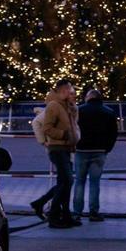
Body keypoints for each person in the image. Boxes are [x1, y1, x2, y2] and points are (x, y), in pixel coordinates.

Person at [30, 81, 81, 229]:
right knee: (67, 181)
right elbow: (47, 127)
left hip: (66, 148)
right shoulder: (54, 106)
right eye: (70, 91)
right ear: (63, 91)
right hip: (57, 148)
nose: (73, 93)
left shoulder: (67, 107)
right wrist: (64, 135)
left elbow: (73, 125)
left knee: (65, 182)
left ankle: (62, 213)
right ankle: (53, 214)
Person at [72, 89, 118, 222]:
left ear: (88, 98)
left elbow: (73, 129)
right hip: (99, 151)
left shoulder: (79, 111)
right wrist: (107, 148)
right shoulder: (108, 112)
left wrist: (75, 145)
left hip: (81, 151)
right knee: (95, 183)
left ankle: (77, 213)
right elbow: (113, 133)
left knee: (79, 182)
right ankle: (93, 212)